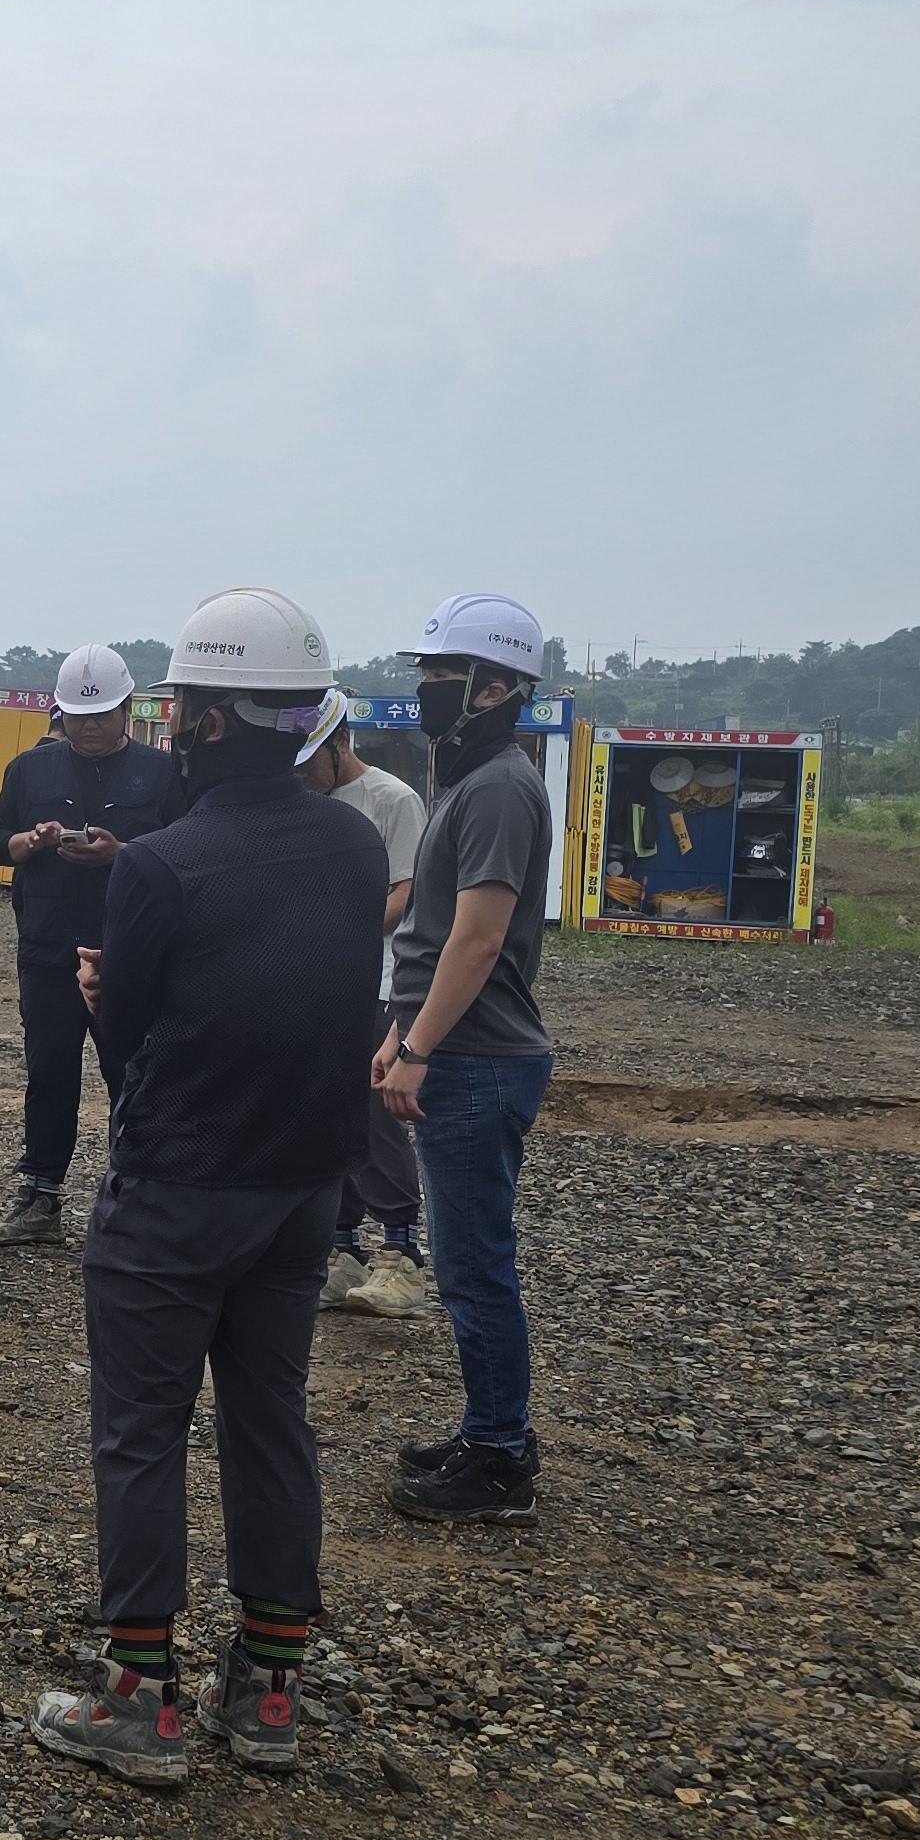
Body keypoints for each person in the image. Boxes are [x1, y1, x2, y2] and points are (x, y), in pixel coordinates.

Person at [30, 587, 387, 1789]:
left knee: (141, 1431)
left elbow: (128, 1044)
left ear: (213, 721)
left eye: (179, 704)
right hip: (303, 1191)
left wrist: (99, 994)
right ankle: (269, 1689)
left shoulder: (160, 867)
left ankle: (139, 1700)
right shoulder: (353, 846)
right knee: (268, 1418)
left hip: (176, 1192)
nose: (168, 722)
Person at [381, 595, 559, 1526]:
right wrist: (400, 1029)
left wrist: (419, 1044)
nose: (426, 691)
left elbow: (478, 939)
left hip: (479, 1056)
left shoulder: (494, 788)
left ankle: (497, 1457)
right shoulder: (476, 778)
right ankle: (490, 1430)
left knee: (474, 1265)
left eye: (442, 676)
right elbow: (436, 928)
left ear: (494, 688)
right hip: (464, 1047)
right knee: (466, 1260)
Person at [0, 644, 182, 1248]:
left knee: (134, 1073)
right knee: (50, 1071)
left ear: (127, 708)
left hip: (131, 949)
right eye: (78, 716)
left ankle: (136, 1202)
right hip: (49, 946)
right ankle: (41, 1197)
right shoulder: (29, 771)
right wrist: (31, 842)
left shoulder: (164, 774)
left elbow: (190, 850)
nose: (89, 727)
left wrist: (124, 854)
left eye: (102, 715)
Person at [297, 693, 433, 1316]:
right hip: (317, 979)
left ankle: (402, 1254)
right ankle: (341, 1249)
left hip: (379, 978)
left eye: (310, 762)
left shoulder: (392, 800)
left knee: (375, 1110)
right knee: (323, 1108)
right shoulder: (303, 801)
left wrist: (342, 929)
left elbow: (410, 891)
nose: (302, 774)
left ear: (341, 743)